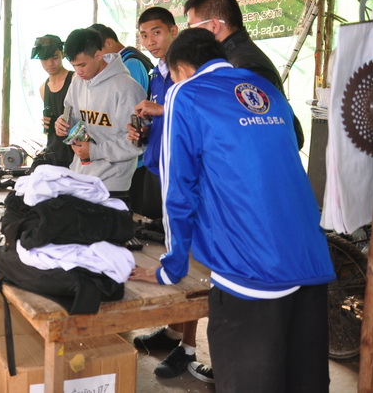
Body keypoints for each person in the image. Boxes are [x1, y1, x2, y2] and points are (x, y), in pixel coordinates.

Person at [130, 29, 335, 393]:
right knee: (304, 383)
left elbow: (178, 189)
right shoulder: (265, 88)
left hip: (250, 268)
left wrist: (171, 267)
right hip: (311, 260)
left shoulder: (185, 93)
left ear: (181, 69)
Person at [127, 8, 213, 383]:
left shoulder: (194, 74)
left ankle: (189, 350)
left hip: (189, 175)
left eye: (157, 32)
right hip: (163, 168)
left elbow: (195, 113)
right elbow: (166, 122)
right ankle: (175, 331)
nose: (150, 41)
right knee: (178, 252)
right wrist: (144, 130)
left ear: (175, 31)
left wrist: (162, 108)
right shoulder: (157, 73)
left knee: (192, 265)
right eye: (144, 35)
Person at [183, 0, 304, 148]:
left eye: (192, 27)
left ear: (214, 26)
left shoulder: (246, 67)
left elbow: (268, 133)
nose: (190, 36)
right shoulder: (228, 60)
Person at [54, 27, 145, 200]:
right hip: (79, 177)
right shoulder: (77, 82)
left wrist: (95, 151)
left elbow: (136, 144)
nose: (78, 71)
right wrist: (62, 123)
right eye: (74, 66)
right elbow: (70, 114)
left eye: (82, 65)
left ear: (98, 55)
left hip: (112, 185)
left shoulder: (127, 88)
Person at [30, 34, 74, 169]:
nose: (50, 63)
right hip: (54, 153)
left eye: (55, 58)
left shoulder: (75, 80)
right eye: (45, 59)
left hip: (75, 152)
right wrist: (50, 124)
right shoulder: (43, 88)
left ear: (62, 54)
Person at [89, 23, 153, 93]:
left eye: (97, 52)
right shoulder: (123, 61)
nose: (97, 57)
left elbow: (130, 96)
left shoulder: (131, 63)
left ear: (108, 43)